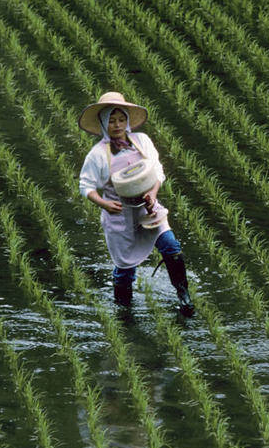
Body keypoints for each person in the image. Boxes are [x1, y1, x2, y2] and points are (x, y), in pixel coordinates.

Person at [78, 92, 194, 316]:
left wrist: (152, 193)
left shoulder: (141, 141)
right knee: (125, 268)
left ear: (127, 120)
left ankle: (184, 297)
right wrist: (104, 204)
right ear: (103, 122)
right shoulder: (98, 154)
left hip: (148, 209)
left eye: (121, 119)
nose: (117, 125)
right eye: (111, 120)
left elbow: (157, 171)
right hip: (118, 215)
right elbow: (86, 187)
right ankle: (124, 312)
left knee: (172, 247)